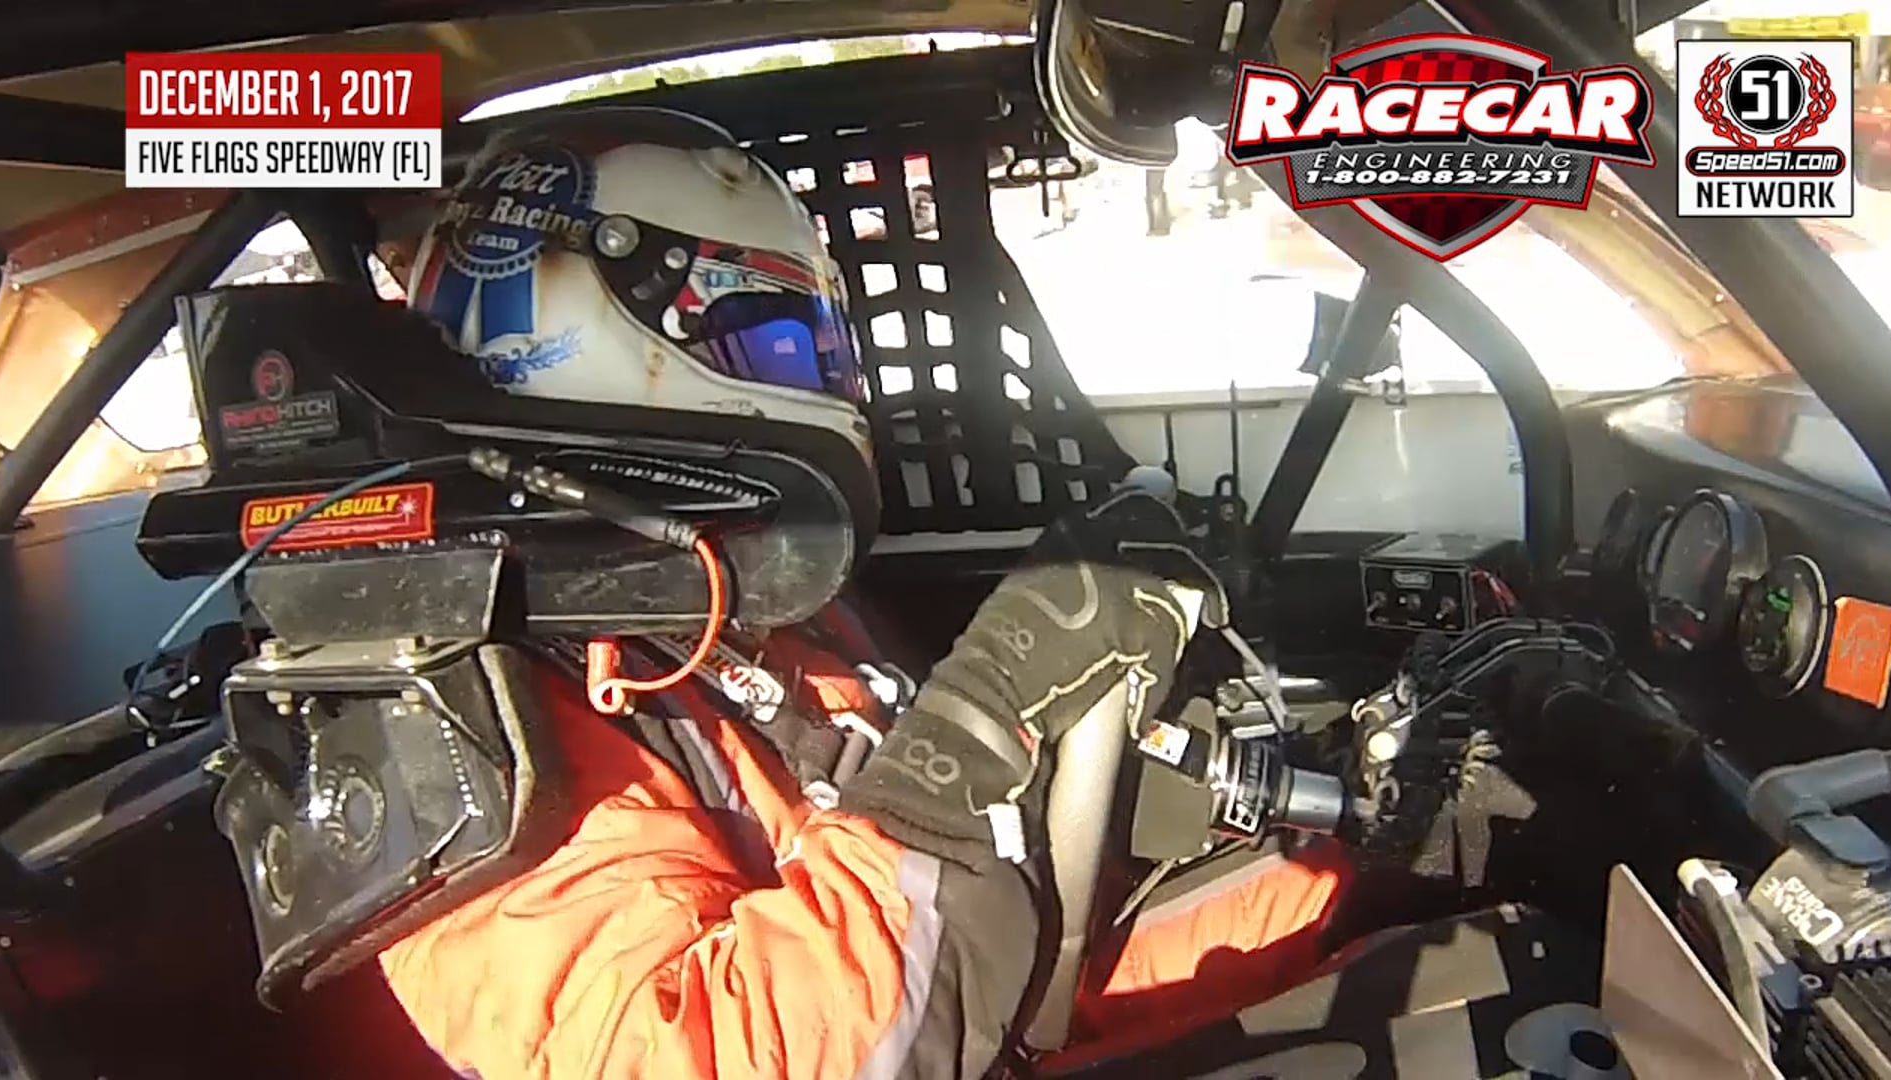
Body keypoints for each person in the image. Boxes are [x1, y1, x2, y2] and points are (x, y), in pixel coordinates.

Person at [382, 107, 1347, 1079]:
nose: (816, 380)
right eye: (769, 335)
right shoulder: (449, 730)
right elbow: (725, 1053)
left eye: (814, 342)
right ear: (592, 336)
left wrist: (1362, 853)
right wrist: (984, 712)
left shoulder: (740, 598)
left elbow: (994, 963)